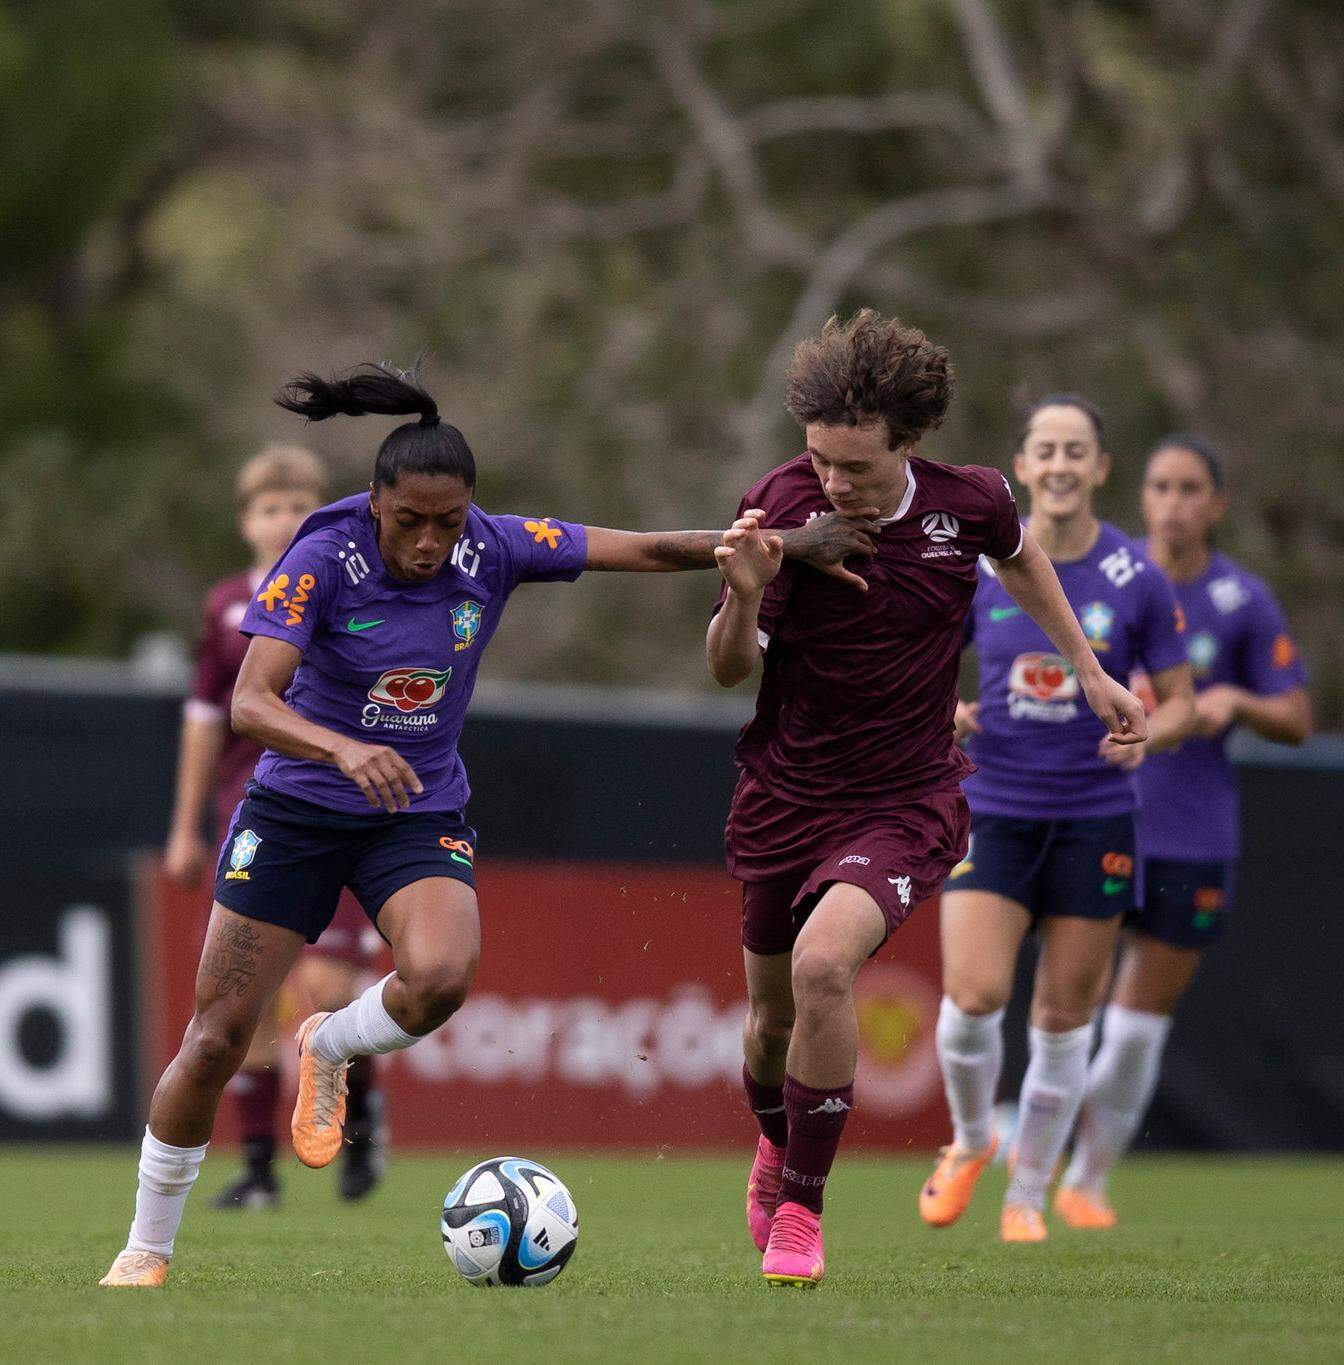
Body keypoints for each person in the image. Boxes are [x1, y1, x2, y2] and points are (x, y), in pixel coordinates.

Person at [100, 361, 878, 1287]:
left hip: (414, 808)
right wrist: (342, 750)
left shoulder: (495, 547)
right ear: (375, 503)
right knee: (218, 1036)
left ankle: (330, 1043)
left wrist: (788, 541)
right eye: (410, 521)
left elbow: (648, 548)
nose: (431, 542)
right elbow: (250, 702)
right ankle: (146, 1243)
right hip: (298, 807)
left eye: (450, 520)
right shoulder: (323, 555)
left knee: (440, 978)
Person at [707, 317, 1148, 1289]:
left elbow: (1020, 556)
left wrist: (1086, 669)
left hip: (904, 799)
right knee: (768, 1024)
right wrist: (740, 596)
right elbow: (725, 670)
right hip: (783, 796)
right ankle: (776, 1146)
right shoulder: (780, 502)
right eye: (820, 458)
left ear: (908, 445)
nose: (831, 482)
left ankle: (801, 1214)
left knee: (825, 968)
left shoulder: (971, 503)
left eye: (854, 466)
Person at [920, 394, 1195, 1244]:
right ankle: (972, 1141)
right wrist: (949, 712)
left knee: (1063, 1018)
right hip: (994, 808)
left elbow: (1180, 701)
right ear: (1026, 465)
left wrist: (1151, 733)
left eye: (1078, 449)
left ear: (1101, 468)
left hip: (1095, 818)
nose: (1063, 463)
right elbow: (925, 667)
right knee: (972, 996)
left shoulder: (1135, 578)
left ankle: (1027, 1193)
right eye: (1047, 449)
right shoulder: (981, 570)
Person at [1055, 435, 1310, 1227]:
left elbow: (1297, 715)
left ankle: (1087, 1180)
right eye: (1160, 485)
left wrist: (1236, 700)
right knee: (1068, 1007)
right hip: (1099, 816)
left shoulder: (1241, 600)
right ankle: (1023, 1149)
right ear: (1143, 497)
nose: (1173, 501)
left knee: (1132, 1034)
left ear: (1216, 503)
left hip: (1193, 834)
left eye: (1190, 487)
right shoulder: (1109, 578)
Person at [163, 445, 389, 1209]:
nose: (285, 518)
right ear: (246, 522)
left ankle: (360, 1111)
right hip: (251, 816)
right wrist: (187, 826)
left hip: (341, 808)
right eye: (269, 507)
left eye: (299, 504)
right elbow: (203, 720)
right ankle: (259, 1167)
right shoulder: (228, 607)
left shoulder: (352, 589)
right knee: (245, 998)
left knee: (326, 986)